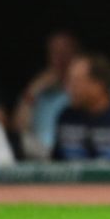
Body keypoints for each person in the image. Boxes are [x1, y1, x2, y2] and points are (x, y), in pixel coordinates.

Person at [13, 31, 81, 160]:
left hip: (74, 153)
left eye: (66, 51)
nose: (61, 58)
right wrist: (34, 89)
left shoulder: (91, 90)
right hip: (41, 157)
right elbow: (18, 130)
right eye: (55, 52)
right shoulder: (39, 91)